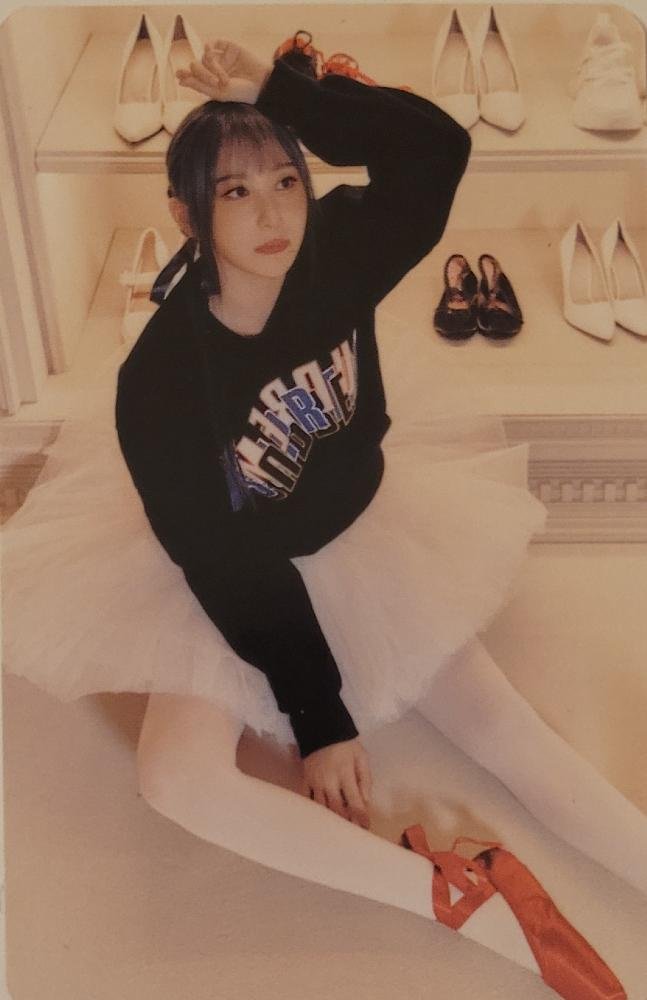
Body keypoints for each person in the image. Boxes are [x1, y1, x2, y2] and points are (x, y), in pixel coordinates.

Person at [2, 36, 645, 994]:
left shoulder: (337, 251)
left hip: (364, 529)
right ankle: (458, 897)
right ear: (183, 212)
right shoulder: (163, 381)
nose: (272, 216)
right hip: (235, 569)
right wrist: (319, 717)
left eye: (285, 183)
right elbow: (224, 562)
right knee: (172, 779)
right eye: (234, 192)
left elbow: (435, 150)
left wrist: (282, 92)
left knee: (508, 732)